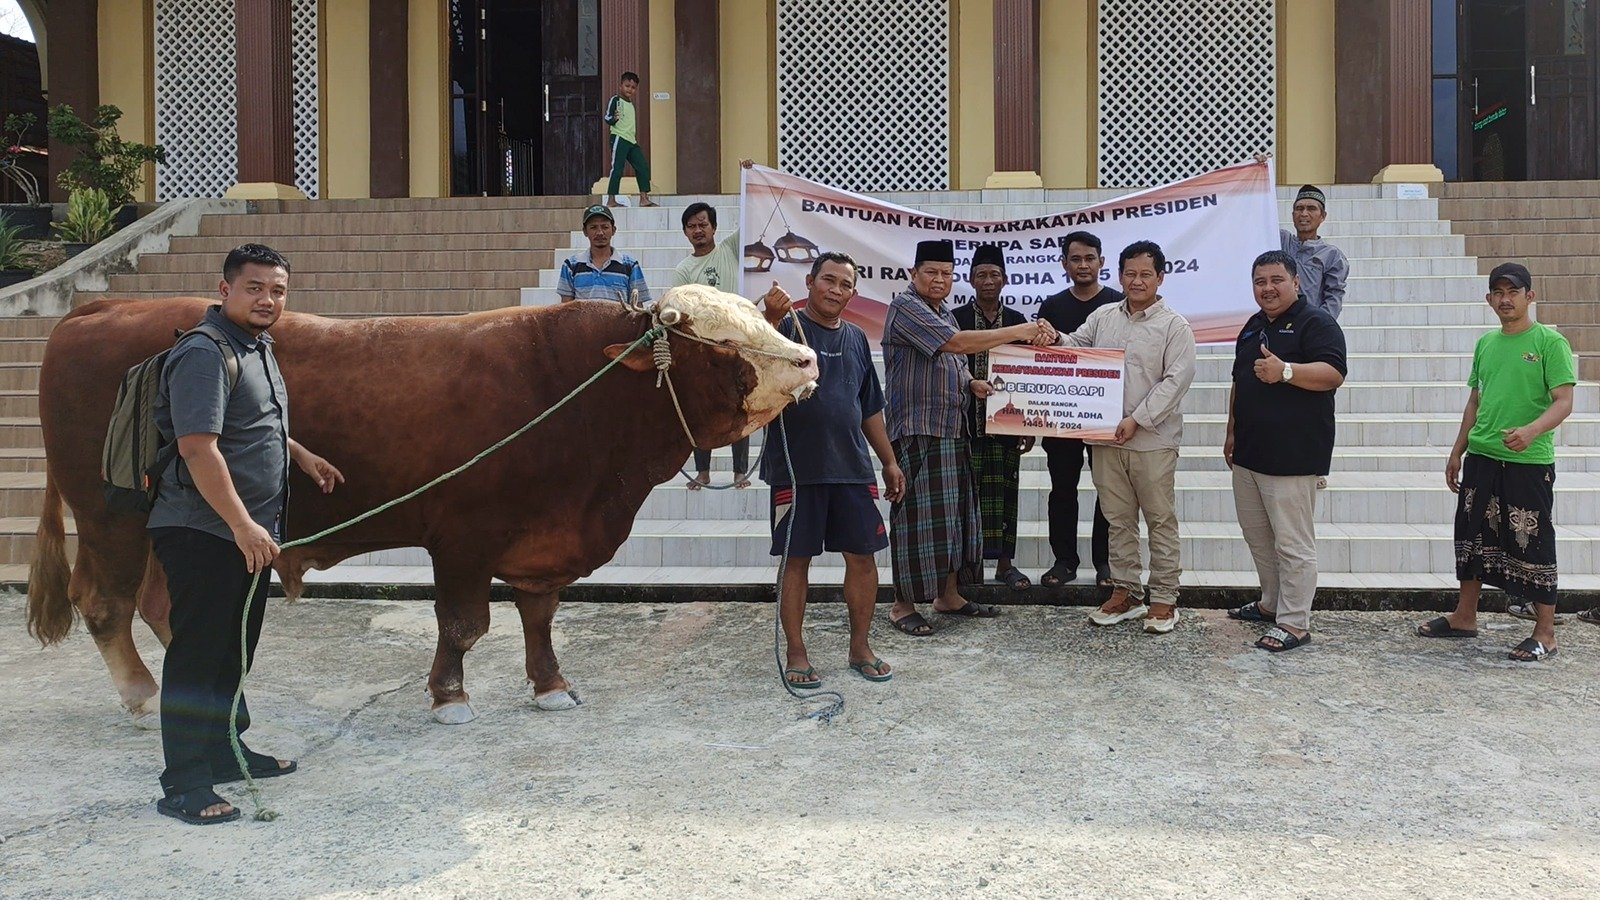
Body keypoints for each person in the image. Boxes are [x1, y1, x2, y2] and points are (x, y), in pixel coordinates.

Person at [148, 244, 344, 825]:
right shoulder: (204, 354)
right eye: (255, 287)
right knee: (198, 654)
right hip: (204, 531)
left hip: (248, 535)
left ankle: (225, 749)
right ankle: (183, 781)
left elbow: (251, 425)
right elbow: (197, 447)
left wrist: (302, 455)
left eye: (278, 290)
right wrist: (241, 524)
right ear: (225, 288)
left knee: (235, 648)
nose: (268, 300)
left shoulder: (256, 349)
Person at [881, 238, 1057, 636]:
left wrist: (972, 382)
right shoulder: (906, 307)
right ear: (914, 274)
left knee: (956, 518)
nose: (939, 279)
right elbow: (955, 344)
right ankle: (902, 604)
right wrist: (1023, 331)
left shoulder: (939, 311)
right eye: (930, 272)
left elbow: (952, 362)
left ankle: (948, 595)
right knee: (914, 518)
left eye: (945, 273)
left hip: (952, 427)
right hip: (918, 430)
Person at [1416, 262, 1576, 662]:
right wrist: (1458, 449)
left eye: (1513, 292)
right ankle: (1464, 616)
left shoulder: (1548, 343)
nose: (1505, 299)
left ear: (1529, 296)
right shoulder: (1486, 344)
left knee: (1532, 540)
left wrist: (1533, 430)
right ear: (1489, 299)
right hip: (1483, 455)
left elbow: (1565, 401)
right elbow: (1475, 400)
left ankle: (1546, 633)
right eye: (1498, 293)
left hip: (1527, 460)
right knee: (1471, 537)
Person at [761, 251, 904, 685]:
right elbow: (749, 362)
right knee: (796, 561)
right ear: (809, 282)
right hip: (795, 469)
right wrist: (768, 316)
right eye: (828, 280)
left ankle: (860, 646)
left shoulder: (858, 339)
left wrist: (889, 461)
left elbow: (869, 407)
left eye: (845, 284)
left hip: (853, 468)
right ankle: (796, 651)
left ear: (853, 293)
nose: (836, 290)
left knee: (863, 559)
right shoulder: (785, 327)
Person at [1056, 240, 1195, 634]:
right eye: (1130, 273)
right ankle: (1127, 593)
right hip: (1105, 439)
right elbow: (1076, 346)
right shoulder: (1103, 317)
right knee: (1117, 520)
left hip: (1152, 440)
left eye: (1145, 274)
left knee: (1159, 519)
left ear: (1160, 277)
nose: (1136, 281)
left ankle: (1165, 598)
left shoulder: (1174, 326)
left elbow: (1175, 382)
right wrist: (1054, 338)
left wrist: (1137, 419)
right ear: (1119, 275)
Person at [1224, 251, 1347, 652]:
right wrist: (1231, 432)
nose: (1268, 288)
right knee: (1258, 537)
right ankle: (1270, 604)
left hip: (1294, 457)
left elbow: (1334, 374)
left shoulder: (1318, 323)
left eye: (1276, 279)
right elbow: (1239, 381)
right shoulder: (1253, 325)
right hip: (1249, 454)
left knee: (1293, 543)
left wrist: (1287, 371)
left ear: (1296, 282)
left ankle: (1295, 623)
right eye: (1260, 281)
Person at [1035, 231, 1119, 587]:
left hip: (1107, 418)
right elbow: (1040, 360)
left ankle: (1106, 563)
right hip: (1061, 416)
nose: (1083, 265)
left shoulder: (1118, 303)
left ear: (1102, 262)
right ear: (1064, 264)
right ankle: (1064, 562)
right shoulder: (1051, 307)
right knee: (1063, 490)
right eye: (1075, 259)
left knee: (1108, 491)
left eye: (1089, 258)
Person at [953, 244, 1033, 591]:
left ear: (1005, 280)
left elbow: (1031, 373)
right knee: (965, 497)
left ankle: (1004, 564)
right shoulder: (954, 319)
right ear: (971, 280)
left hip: (1006, 423)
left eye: (995, 275)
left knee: (1006, 494)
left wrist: (1029, 422)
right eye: (982, 274)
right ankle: (968, 569)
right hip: (964, 423)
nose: (988, 281)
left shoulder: (1018, 322)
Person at [674, 163, 753, 489]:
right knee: (702, 408)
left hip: (737, 339)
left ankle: (739, 473)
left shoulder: (730, 250)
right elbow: (681, 310)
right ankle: (702, 472)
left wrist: (746, 177)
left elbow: (751, 214)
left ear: (714, 227)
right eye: (691, 226)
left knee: (740, 406)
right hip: (704, 347)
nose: (698, 230)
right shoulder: (682, 270)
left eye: (703, 224)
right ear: (686, 232)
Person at [1278, 184, 1348, 320]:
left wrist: (1317, 327)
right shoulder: (1282, 241)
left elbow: (1333, 297)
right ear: (1293, 215)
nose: (1304, 214)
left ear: (1322, 216)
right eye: (1299, 208)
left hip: (1309, 328)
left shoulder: (1332, 256)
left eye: (1311, 208)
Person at [556, 204, 650, 305]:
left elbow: (637, 309)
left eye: (605, 227)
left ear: (613, 230)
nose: (600, 232)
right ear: (585, 231)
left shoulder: (630, 266)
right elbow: (565, 308)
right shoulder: (571, 265)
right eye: (593, 227)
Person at [603, 71, 655, 208]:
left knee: (642, 167)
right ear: (621, 86)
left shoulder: (631, 105)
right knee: (618, 168)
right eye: (627, 86)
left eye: (633, 87)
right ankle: (611, 200)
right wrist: (614, 118)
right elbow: (607, 118)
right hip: (619, 138)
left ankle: (644, 198)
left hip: (631, 140)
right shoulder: (615, 100)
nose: (629, 89)